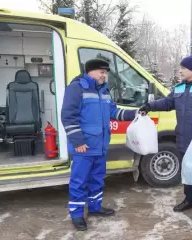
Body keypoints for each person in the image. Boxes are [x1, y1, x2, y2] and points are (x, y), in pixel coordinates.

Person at [139, 55, 192, 223]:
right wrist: (149, 106)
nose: (180, 71)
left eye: (183, 68)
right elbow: (167, 103)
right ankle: (188, 200)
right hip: (183, 138)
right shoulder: (179, 88)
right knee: (186, 170)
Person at [61, 58, 138, 231]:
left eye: (105, 72)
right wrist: (78, 141)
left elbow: (113, 111)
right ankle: (77, 214)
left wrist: (136, 113)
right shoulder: (77, 88)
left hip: (100, 145)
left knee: (97, 178)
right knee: (79, 181)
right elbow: (68, 116)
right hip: (84, 146)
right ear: (91, 71)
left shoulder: (103, 90)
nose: (104, 75)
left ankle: (95, 207)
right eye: (102, 71)